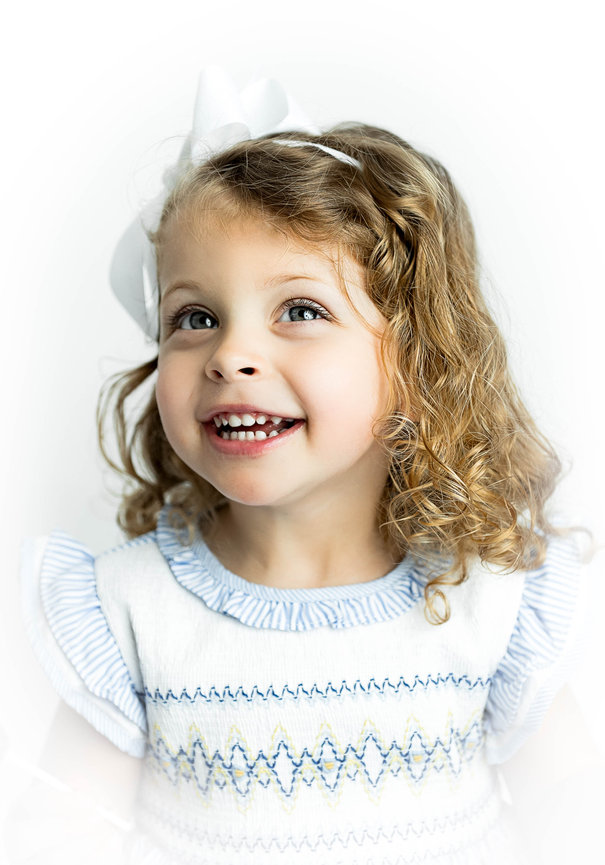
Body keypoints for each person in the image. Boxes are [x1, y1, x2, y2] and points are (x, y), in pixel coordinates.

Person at [18, 69, 589, 864]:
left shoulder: (485, 596)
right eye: (195, 317)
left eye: (300, 310)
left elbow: (571, 821)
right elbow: (60, 837)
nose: (231, 355)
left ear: (415, 361)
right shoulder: (127, 613)